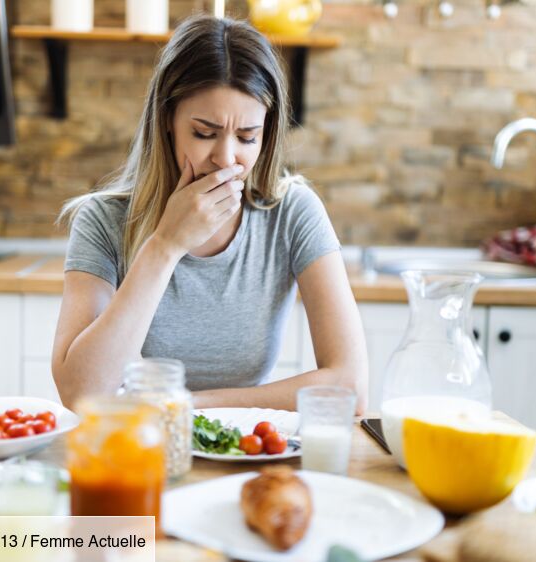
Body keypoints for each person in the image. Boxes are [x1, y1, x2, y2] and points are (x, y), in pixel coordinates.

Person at [52, 14, 368, 413]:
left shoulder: (292, 213)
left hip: (246, 451)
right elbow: (80, 394)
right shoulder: (101, 220)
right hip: (138, 452)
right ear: (167, 120)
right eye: (204, 133)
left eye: (247, 137)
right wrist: (165, 245)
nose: (225, 158)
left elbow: (351, 387)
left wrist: (186, 405)